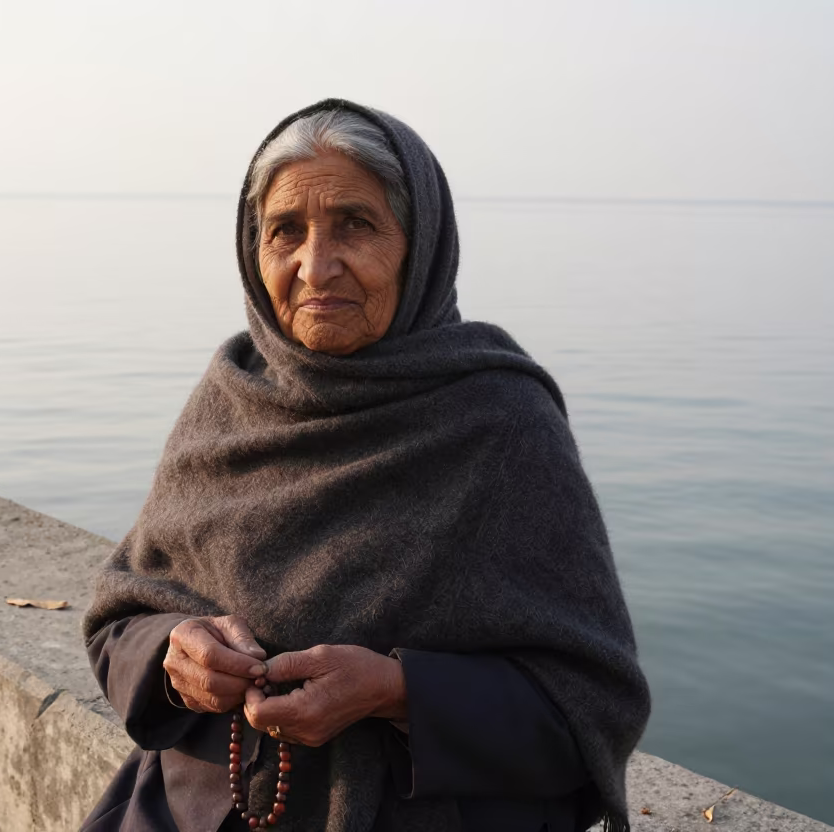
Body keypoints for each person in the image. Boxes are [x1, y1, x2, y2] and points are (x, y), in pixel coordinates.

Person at [81, 99, 650, 832]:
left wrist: (397, 690)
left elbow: (595, 707)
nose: (316, 267)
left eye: (355, 224)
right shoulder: (231, 396)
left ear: (419, 245)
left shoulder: (500, 420)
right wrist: (172, 654)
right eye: (286, 231)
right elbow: (120, 619)